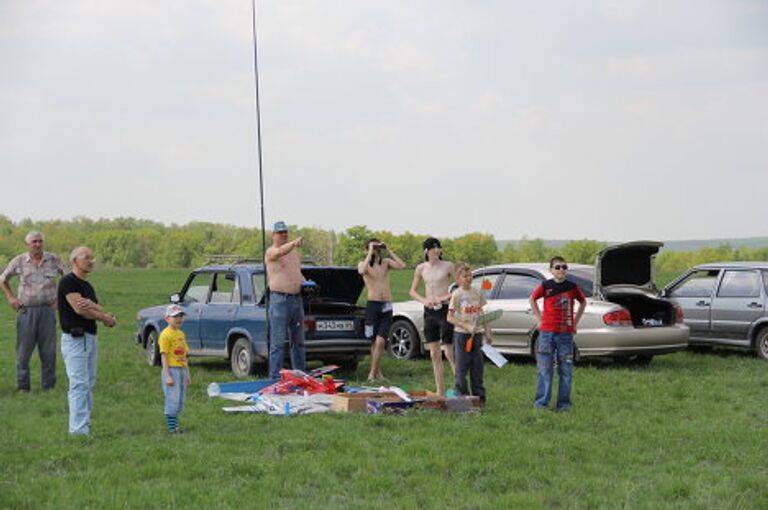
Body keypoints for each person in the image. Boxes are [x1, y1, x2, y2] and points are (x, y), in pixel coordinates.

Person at [58, 246, 117, 435]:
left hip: (89, 338)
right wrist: (104, 316)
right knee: (79, 384)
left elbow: (92, 307)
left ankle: (85, 425)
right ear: (74, 260)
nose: (91, 260)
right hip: (75, 339)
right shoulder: (68, 282)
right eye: (86, 257)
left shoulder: (87, 286)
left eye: (92, 257)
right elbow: (80, 309)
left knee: (88, 383)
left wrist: (96, 307)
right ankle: (78, 430)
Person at [1, 231, 68, 392]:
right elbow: (3, 279)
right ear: (27, 245)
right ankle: (23, 387)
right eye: (34, 242)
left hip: (47, 310)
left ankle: (49, 387)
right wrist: (11, 298)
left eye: (40, 241)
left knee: (48, 351)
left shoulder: (53, 259)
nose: (38, 244)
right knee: (23, 352)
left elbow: (68, 277)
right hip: (26, 311)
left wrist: (60, 298)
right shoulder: (19, 261)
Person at [528, 256, 586, 412]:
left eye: (564, 267)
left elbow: (583, 302)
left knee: (565, 371)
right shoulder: (546, 286)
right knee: (545, 370)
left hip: (566, 335)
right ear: (551, 270)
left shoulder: (572, 287)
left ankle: (564, 405)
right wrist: (539, 320)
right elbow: (532, 299)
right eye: (558, 267)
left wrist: (575, 323)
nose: (561, 270)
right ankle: (541, 404)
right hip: (547, 334)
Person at [409, 237, 456, 396]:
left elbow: (459, 287)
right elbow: (412, 291)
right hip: (429, 312)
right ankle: (440, 391)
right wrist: (425, 300)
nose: (437, 250)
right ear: (426, 251)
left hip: (445, 310)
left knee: (448, 352)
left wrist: (445, 298)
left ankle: (460, 387)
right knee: (434, 353)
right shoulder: (421, 268)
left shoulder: (448, 266)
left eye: (438, 247)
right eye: (433, 247)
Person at [357, 238, 406, 382]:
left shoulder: (385, 263)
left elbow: (402, 265)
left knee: (381, 341)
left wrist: (389, 249)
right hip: (373, 305)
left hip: (386, 305)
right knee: (374, 342)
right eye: (374, 248)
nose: (376, 251)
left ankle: (372, 373)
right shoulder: (363, 264)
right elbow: (361, 270)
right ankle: (378, 373)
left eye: (378, 248)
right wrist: (370, 251)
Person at [266, 221, 308, 379]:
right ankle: (275, 377)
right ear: (273, 235)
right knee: (277, 343)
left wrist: (307, 283)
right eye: (280, 232)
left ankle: (301, 376)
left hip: (297, 300)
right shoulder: (271, 251)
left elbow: (296, 273)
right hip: (279, 301)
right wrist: (294, 243)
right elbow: (280, 252)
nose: (283, 234)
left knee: (298, 342)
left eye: (285, 232)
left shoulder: (294, 254)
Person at [447, 263, 492, 405]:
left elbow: (482, 313)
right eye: (465, 276)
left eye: (470, 275)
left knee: (477, 368)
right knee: (461, 368)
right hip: (462, 336)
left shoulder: (477, 292)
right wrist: (465, 325)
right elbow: (450, 317)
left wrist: (487, 332)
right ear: (458, 278)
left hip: (477, 335)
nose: (468, 278)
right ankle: (462, 399)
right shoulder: (457, 295)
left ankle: (479, 399)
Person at [159, 304, 191, 433]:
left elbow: (184, 355)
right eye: (175, 317)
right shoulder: (165, 335)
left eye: (180, 316)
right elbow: (164, 356)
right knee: (173, 398)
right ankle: (172, 429)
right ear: (167, 318)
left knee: (180, 400)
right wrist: (167, 375)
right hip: (172, 370)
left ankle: (175, 425)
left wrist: (188, 373)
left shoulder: (181, 334)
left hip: (182, 370)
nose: (178, 319)